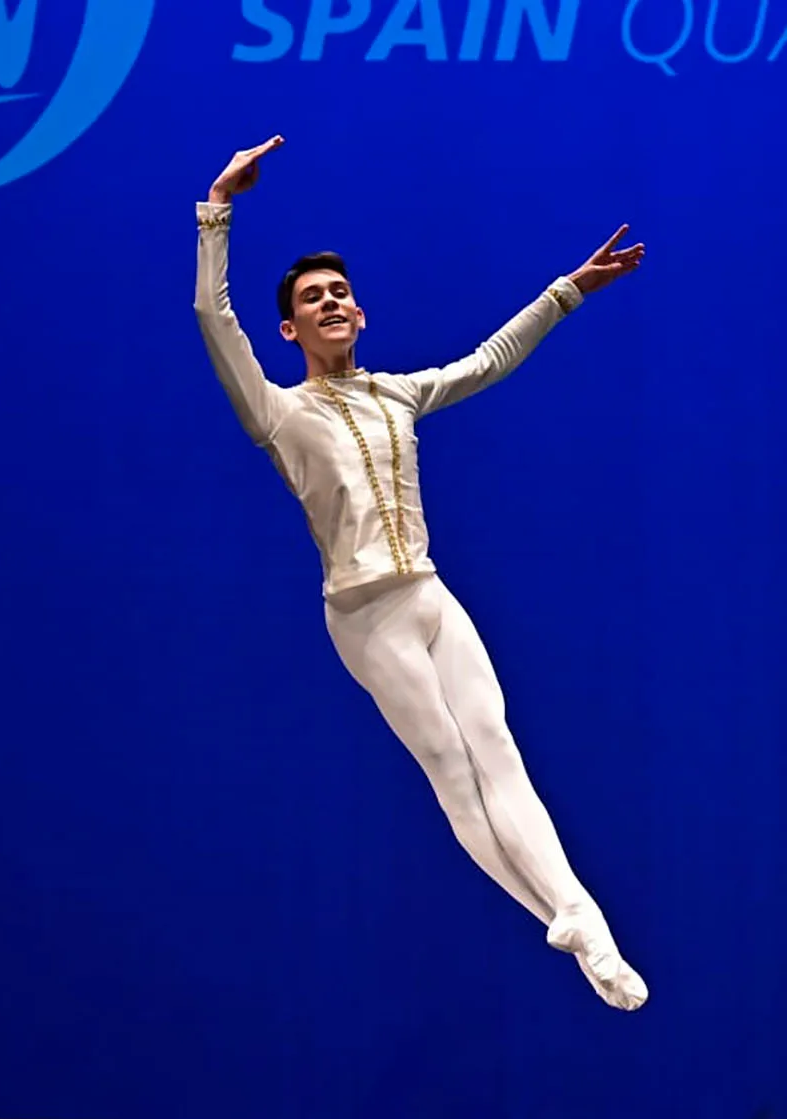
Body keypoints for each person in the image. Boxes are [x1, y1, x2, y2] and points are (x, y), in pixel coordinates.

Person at [192, 134, 650, 1011]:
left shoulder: (398, 393)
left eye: (340, 294)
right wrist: (219, 208)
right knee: (450, 765)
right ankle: (558, 914)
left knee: (499, 752)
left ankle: (582, 922)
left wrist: (567, 294)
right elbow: (215, 321)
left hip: (430, 596)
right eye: (311, 300)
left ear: (359, 315)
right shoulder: (278, 414)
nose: (330, 303)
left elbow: (484, 363)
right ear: (290, 329)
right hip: (365, 616)